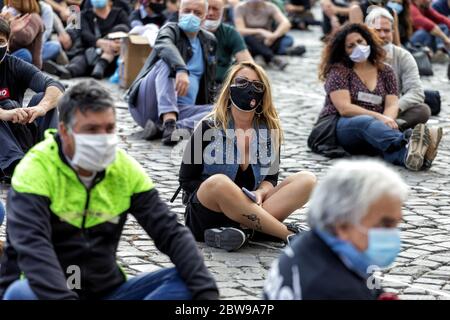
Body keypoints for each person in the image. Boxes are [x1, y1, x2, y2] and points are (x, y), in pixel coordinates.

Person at [0, 80, 219, 300]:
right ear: (65, 131)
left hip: (107, 291)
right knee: (20, 294)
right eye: (91, 129)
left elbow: (170, 232)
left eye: (109, 129)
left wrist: (207, 292)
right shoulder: (35, 170)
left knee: (191, 280)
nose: (102, 138)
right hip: (45, 290)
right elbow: (34, 251)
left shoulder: (123, 167)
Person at [178, 61, 317, 252]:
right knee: (219, 182)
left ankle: (240, 231)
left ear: (263, 94)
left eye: (256, 85)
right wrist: (233, 198)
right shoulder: (208, 127)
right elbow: (186, 179)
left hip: (255, 208)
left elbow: (270, 178)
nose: (249, 89)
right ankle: (287, 234)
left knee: (307, 180)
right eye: (242, 82)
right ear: (229, 89)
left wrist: (260, 193)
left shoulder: (269, 131)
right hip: (209, 210)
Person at [264, 159, 406, 300]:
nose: (393, 234)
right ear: (342, 224)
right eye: (386, 224)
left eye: (397, 224)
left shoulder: (311, 242)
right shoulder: (341, 290)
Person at [313, 23, 442, 171]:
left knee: (381, 148)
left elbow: (392, 104)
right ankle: (408, 141)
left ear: (368, 41)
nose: (357, 47)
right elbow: (345, 109)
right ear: (343, 51)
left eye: (360, 42)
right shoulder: (339, 72)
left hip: (376, 127)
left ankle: (412, 157)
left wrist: (387, 119)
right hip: (342, 127)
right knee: (366, 122)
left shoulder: (386, 71)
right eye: (350, 46)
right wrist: (380, 118)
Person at [126, 0, 217, 145]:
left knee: (224, 111)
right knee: (166, 62)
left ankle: (174, 129)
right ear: (179, 11)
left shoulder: (209, 41)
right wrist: (181, 69)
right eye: (187, 11)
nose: (191, 16)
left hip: (183, 109)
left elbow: (210, 80)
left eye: (197, 13)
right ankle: (169, 122)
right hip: (148, 104)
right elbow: (164, 45)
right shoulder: (169, 30)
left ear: (205, 16)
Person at [0, 17, 65, 183]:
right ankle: (17, 165)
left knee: (42, 98)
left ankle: (50, 157)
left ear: (7, 44)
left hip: (19, 131)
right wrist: (5, 113)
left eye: (0, 41)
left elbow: (54, 85)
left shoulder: (14, 64)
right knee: (8, 105)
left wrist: (41, 107)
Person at [366, 7, 430, 130]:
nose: (382, 35)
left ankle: (391, 127)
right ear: (367, 31)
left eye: (386, 31)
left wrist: (394, 108)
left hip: (393, 108)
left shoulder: (403, 56)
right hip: (365, 109)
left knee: (422, 110)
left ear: (392, 32)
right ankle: (387, 129)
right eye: (377, 30)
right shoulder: (359, 55)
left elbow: (416, 91)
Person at [43, 0, 130, 79]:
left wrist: (112, 44)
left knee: (121, 29)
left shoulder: (119, 13)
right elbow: (85, 34)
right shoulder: (84, 15)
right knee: (81, 60)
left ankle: (103, 62)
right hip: (92, 55)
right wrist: (101, 43)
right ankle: (68, 71)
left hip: (115, 57)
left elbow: (127, 32)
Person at [234, 0, 297, 70]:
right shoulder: (240, 7)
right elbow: (240, 30)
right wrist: (260, 31)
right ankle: (273, 58)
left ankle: (260, 56)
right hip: (249, 42)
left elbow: (286, 23)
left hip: (267, 41)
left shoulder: (270, 7)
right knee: (248, 39)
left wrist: (273, 36)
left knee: (285, 38)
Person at [203, 0, 253, 84]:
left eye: (215, 9)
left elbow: (248, 63)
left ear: (222, 12)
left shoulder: (229, 32)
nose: (210, 13)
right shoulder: (191, 32)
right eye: (207, 8)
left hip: (222, 83)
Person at [0, 1, 44, 68]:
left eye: (12, 2)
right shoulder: (12, 16)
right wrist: (3, 20)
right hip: (8, 55)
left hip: (30, 62)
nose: (9, 5)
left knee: (24, 53)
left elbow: (25, 39)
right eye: (8, 2)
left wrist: (13, 27)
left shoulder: (33, 17)